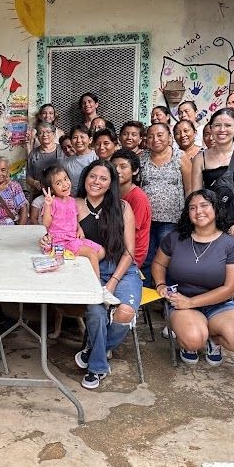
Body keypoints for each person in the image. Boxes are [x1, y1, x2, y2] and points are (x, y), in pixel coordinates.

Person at [151, 189, 234, 366]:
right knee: (193, 340)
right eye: (192, 208)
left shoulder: (231, 244)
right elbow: (158, 264)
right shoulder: (176, 238)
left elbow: (231, 289)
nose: (198, 211)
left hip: (219, 304)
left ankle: (214, 339)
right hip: (182, 301)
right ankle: (193, 337)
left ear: (216, 209)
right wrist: (161, 284)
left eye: (204, 205)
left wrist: (191, 302)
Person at [71, 161, 142, 389]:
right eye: (93, 176)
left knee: (126, 312)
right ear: (85, 177)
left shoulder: (122, 208)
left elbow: (130, 251)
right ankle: (97, 367)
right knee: (96, 312)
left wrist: (113, 282)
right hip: (90, 270)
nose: (96, 182)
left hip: (122, 269)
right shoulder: (73, 205)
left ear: (111, 183)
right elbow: (60, 236)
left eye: (103, 178)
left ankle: (93, 348)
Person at [193, 108, 234, 309]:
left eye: (228, 125)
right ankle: (215, 309)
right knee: (214, 265)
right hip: (214, 220)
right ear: (211, 129)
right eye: (217, 125)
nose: (222, 130)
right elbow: (196, 195)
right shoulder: (201, 158)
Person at [140, 123, 192, 286]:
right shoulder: (142, 157)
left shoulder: (180, 156)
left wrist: (188, 214)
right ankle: (148, 299)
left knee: (167, 258)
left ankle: (168, 299)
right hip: (146, 219)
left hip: (172, 218)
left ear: (170, 137)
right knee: (147, 257)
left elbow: (189, 187)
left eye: (160, 135)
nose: (155, 139)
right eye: (151, 136)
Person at [41, 166, 104, 279]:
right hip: (61, 242)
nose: (65, 184)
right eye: (58, 183)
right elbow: (46, 223)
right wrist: (48, 205)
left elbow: (73, 219)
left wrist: (79, 228)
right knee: (92, 254)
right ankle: (96, 286)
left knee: (101, 251)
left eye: (66, 179)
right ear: (51, 188)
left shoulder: (71, 200)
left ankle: (83, 273)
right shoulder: (53, 202)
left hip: (73, 238)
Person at [110, 149, 151, 269]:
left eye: (123, 167)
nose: (117, 170)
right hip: (116, 250)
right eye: (114, 166)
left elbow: (129, 232)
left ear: (135, 170)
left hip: (131, 254)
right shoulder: (112, 192)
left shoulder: (138, 197)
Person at [25, 122, 63, 198]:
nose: (45, 135)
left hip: (61, 192)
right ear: (37, 137)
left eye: (48, 132)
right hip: (40, 194)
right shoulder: (33, 154)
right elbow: (28, 177)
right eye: (41, 133)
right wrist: (35, 183)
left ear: (54, 134)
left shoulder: (62, 149)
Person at [63, 126, 98, 195]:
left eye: (82, 137)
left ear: (90, 140)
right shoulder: (67, 162)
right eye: (75, 137)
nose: (78, 140)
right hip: (75, 200)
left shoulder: (97, 156)